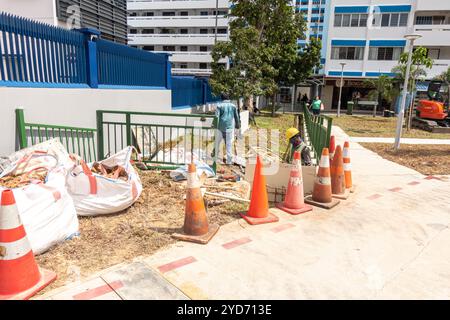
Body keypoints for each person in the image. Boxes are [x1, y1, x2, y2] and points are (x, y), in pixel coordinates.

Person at [214, 93, 241, 165]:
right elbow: (236, 117)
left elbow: (216, 117)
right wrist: (238, 125)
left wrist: (214, 125)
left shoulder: (219, 106)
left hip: (220, 128)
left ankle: (215, 159)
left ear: (221, 98)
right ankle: (229, 161)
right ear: (228, 98)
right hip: (229, 128)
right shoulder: (233, 106)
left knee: (217, 143)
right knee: (228, 144)